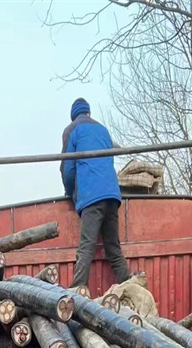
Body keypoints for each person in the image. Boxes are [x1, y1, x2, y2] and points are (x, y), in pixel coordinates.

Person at [61, 98, 131, 288]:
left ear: (73, 115)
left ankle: (76, 294)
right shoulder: (103, 130)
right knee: (114, 250)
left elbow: (68, 169)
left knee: (86, 249)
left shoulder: (71, 130)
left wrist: (70, 193)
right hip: (112, 195)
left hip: (92, 197)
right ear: (89, 113)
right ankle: (133, 290)